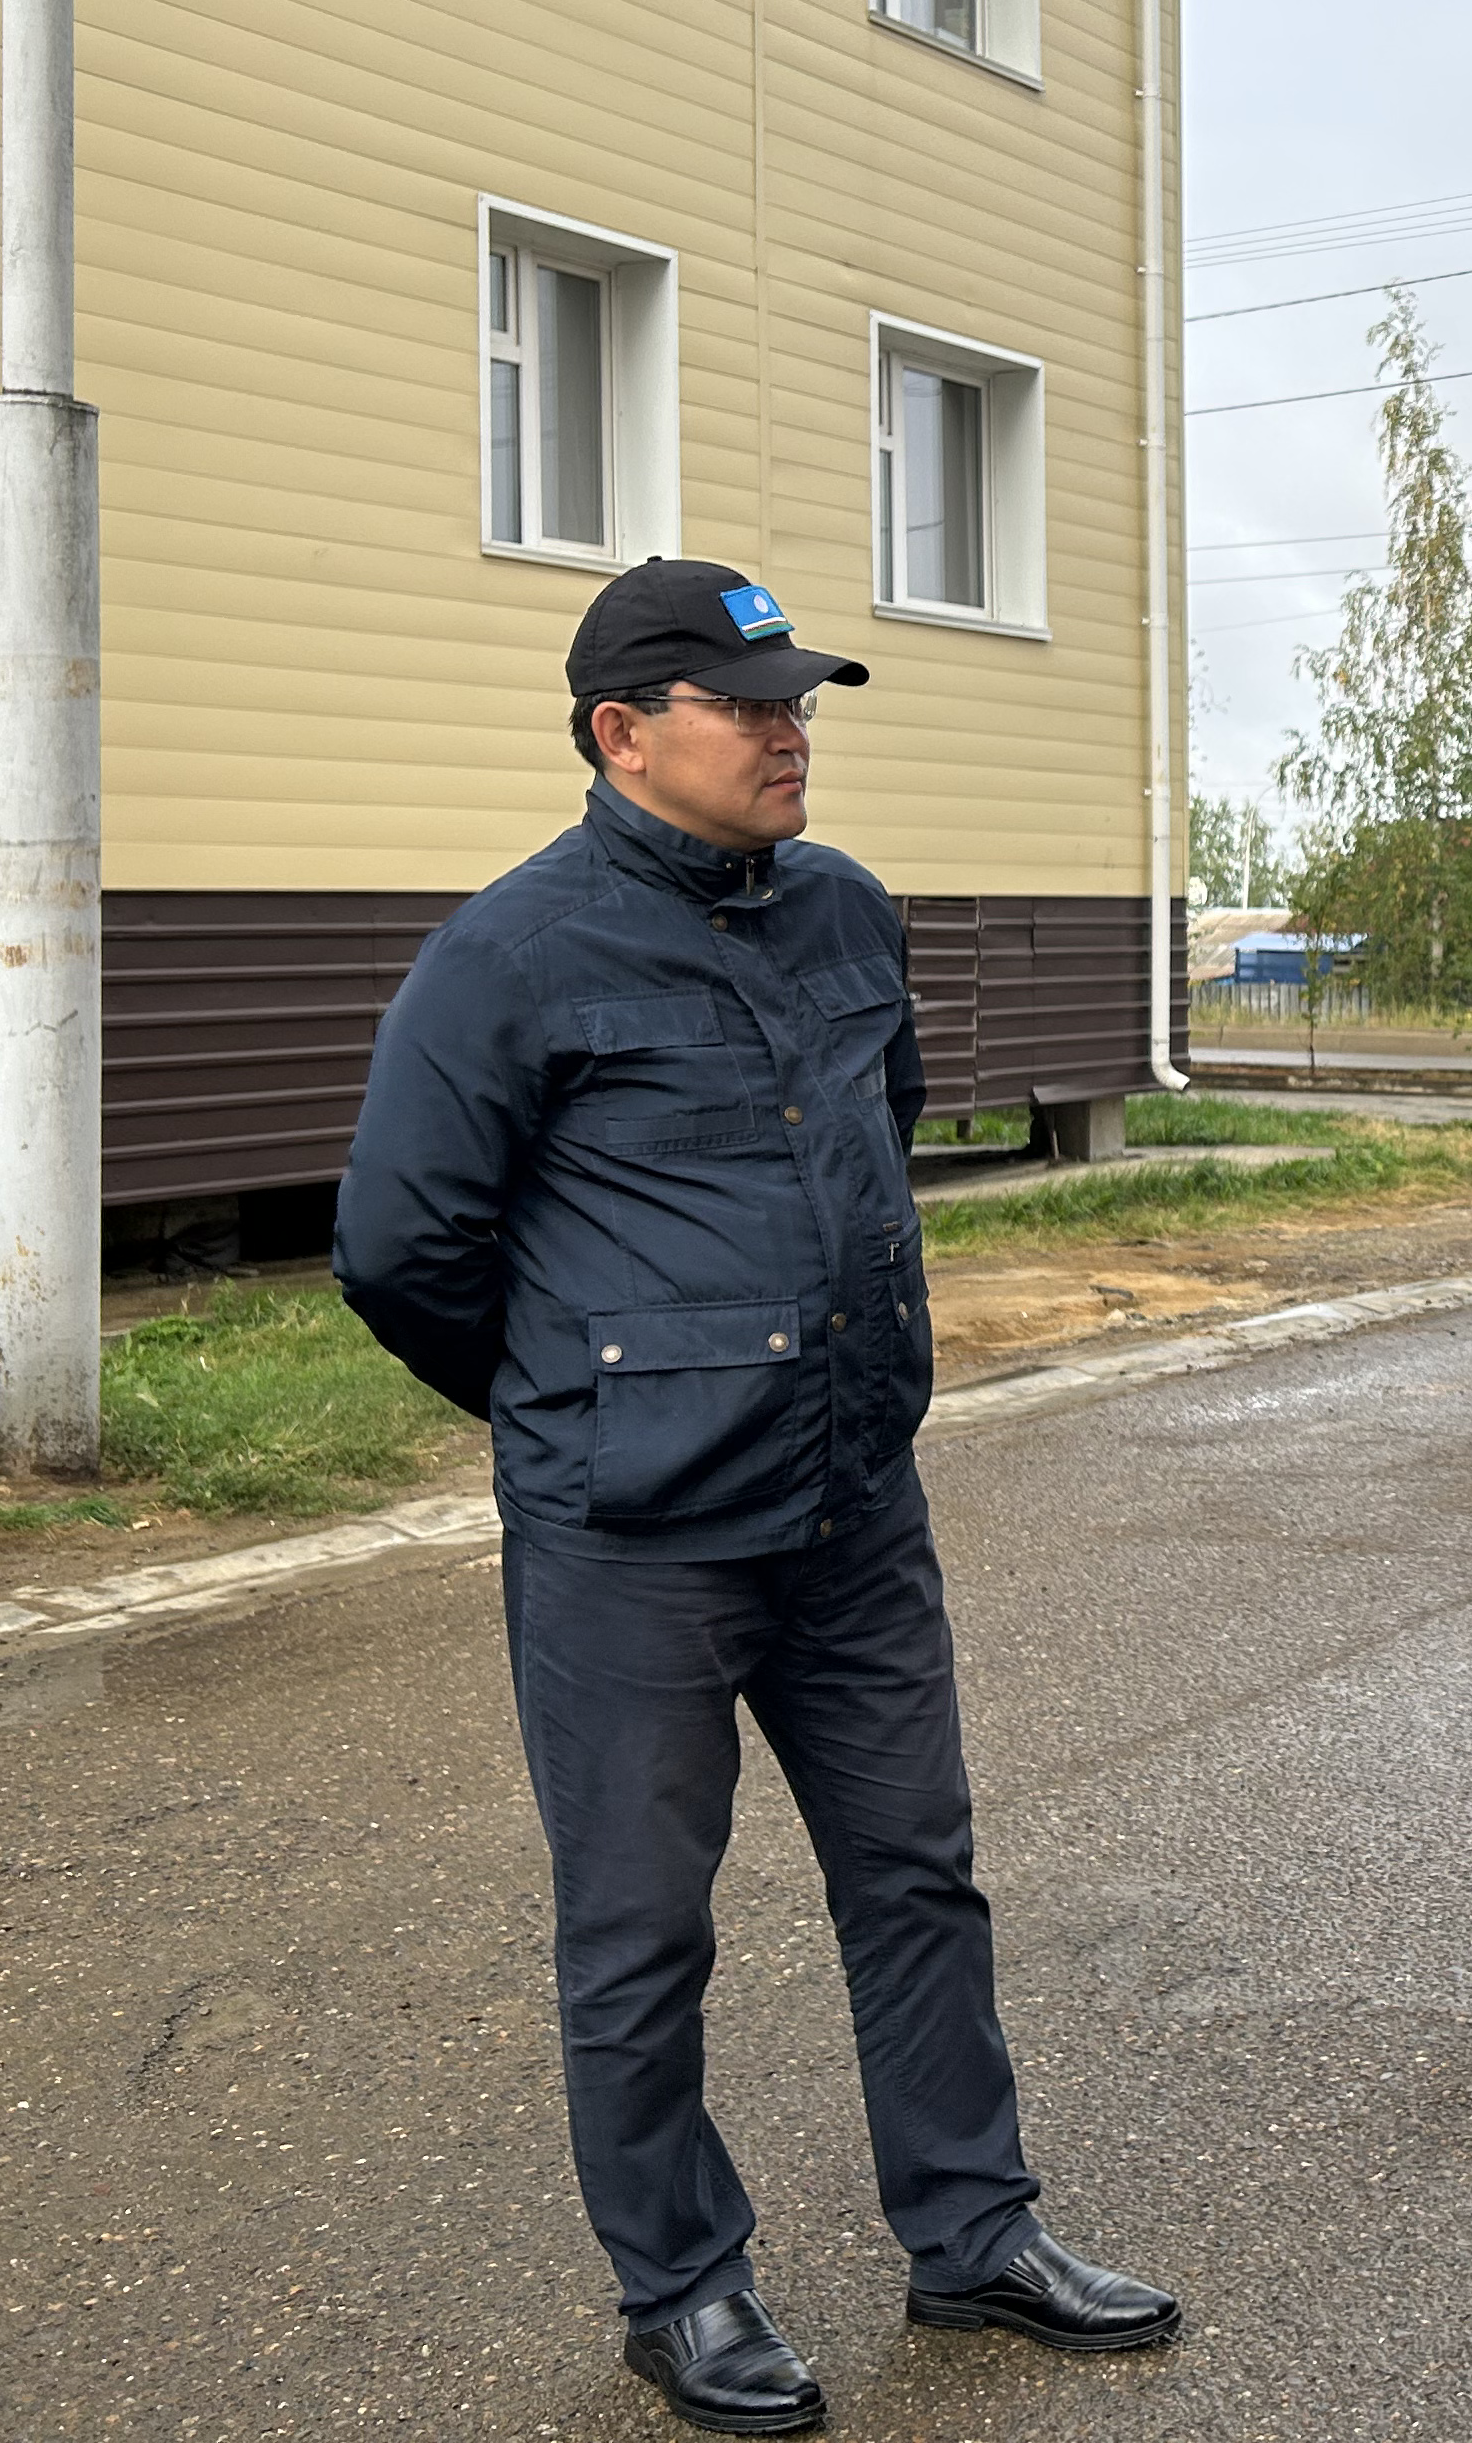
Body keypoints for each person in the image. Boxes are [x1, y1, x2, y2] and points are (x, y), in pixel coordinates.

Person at [336, 558, 1178, 2436]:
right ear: (624, 736)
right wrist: (584, 1403)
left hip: (852, 1507)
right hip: (632, 1539)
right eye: (751, 705)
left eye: (801, 700)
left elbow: (878, 1136)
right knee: (641, 1932)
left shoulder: (846, 918)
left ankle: (973, 2237)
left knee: (916, 1875)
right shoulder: (511, 956)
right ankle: (682, 2289)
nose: (793, 731)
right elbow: (404, 1249)